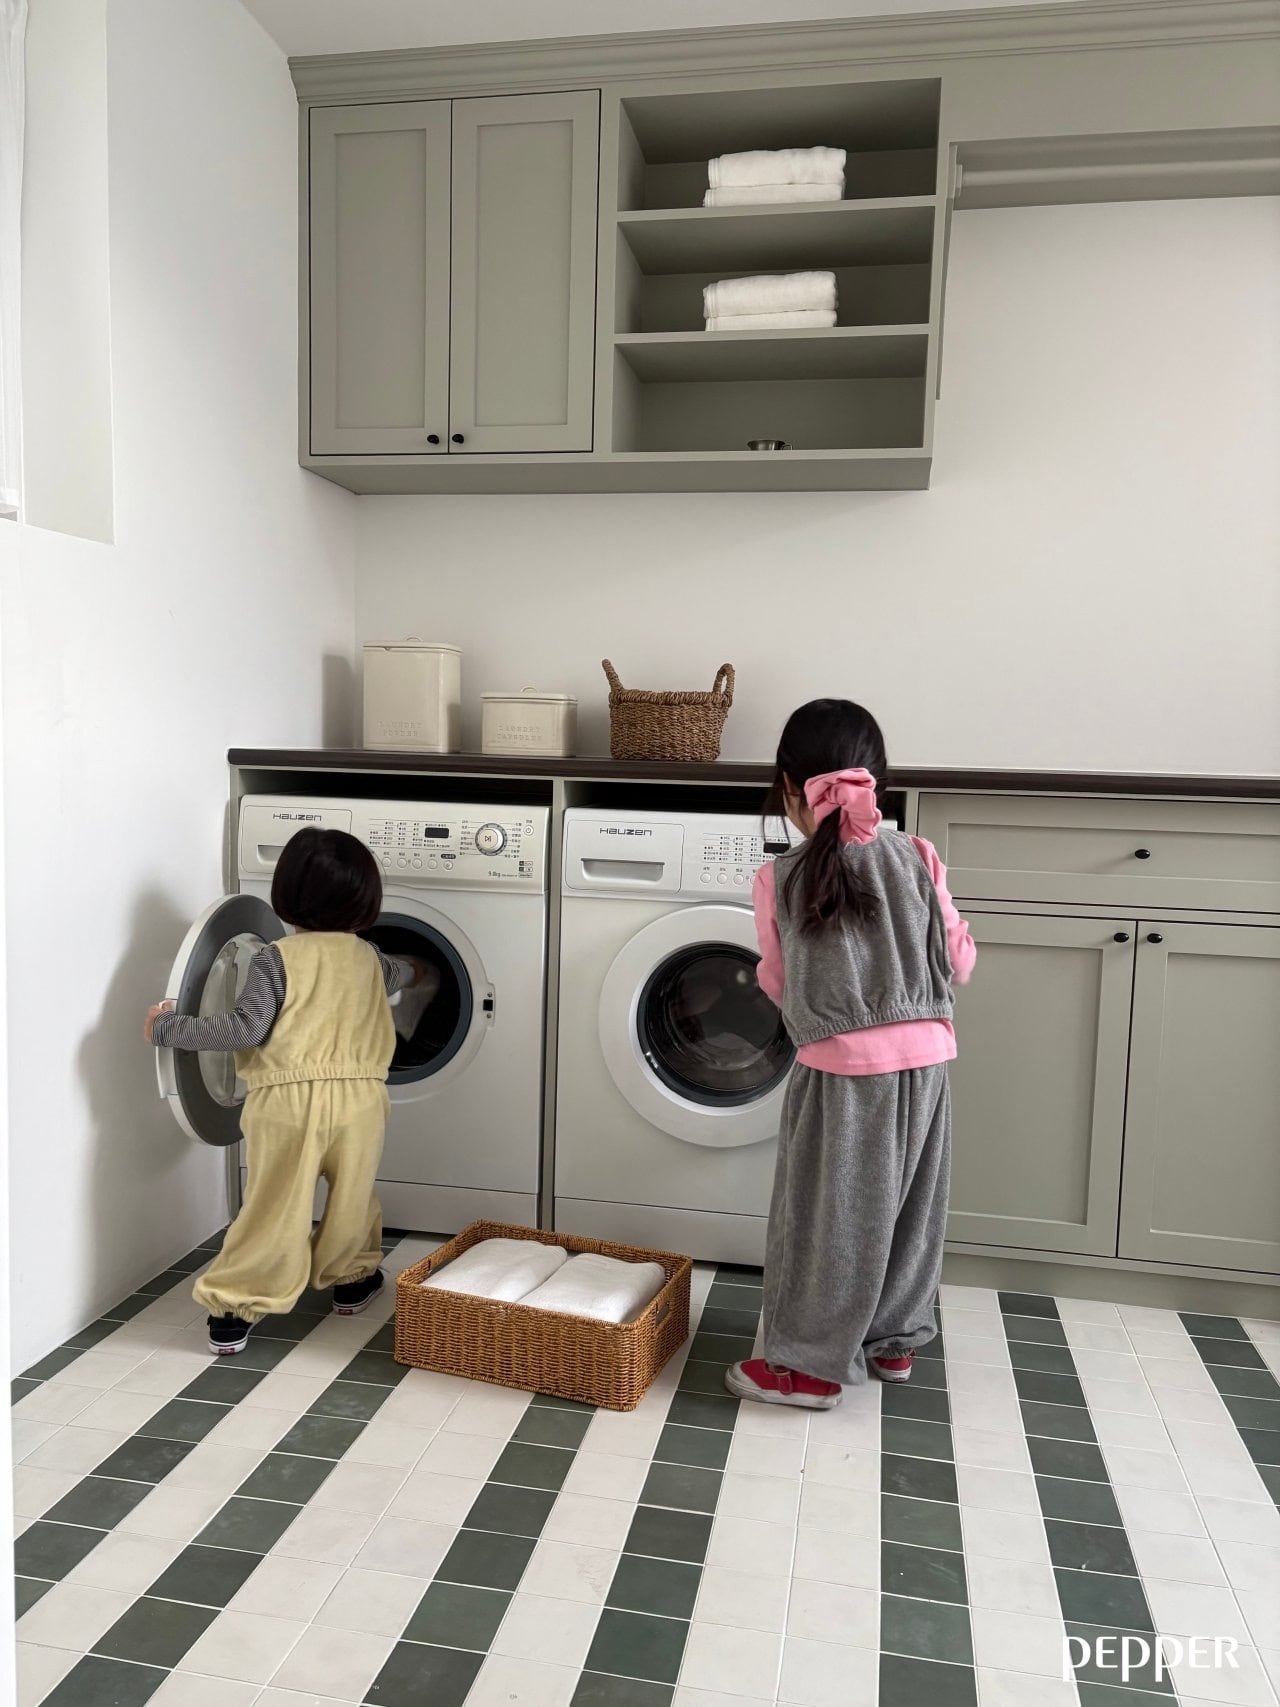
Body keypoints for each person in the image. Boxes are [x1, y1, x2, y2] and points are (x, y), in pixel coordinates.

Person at [726, 699, 976, 1410]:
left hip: (841, 1074)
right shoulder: (919, 855)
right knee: (911, 1208)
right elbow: (959, 962)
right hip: (927, 1065)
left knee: (828, 1217)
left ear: (788, 787)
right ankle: (892, 1341)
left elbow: (780, 982)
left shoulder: (779, 879)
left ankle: (809, 1366)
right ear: (878, 783)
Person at [145, 828, 426, 1354]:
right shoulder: (370, 958)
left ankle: (234, 1308)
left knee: (276, 1203)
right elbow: (403, 975)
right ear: (366, 900)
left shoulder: (275, 959)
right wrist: (422, 972)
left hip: (287, 1102)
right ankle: (351, 1279)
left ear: (287, 897)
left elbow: (244, 1030)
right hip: (362, 1103)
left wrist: (169, 1026)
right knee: (352, 1194)